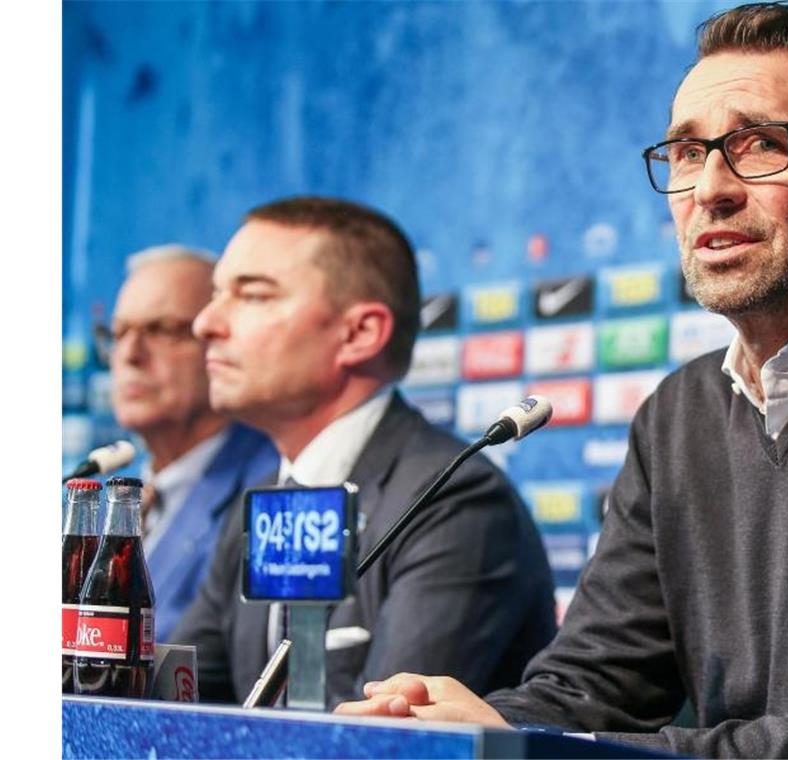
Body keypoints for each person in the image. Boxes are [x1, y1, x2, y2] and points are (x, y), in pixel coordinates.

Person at [334, 4, 788, 757]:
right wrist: (485, 726)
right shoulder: (679, 413)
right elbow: (592, 683)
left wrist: (570, 745)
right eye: (687, 154)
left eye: (761, 145)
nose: (711, 188)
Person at [172, 196, 556, 706]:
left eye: (253, 295)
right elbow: (183, 703)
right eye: (218, 293)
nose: (206, 324)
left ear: (359, 333)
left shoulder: (455, 500)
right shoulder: (266, 493)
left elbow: (385, 735)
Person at [105, 245, 278, 643]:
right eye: (118, 333)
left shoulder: (271, 488)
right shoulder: (106, 497)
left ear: (220, 341)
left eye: (162, 330)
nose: (130, 354)